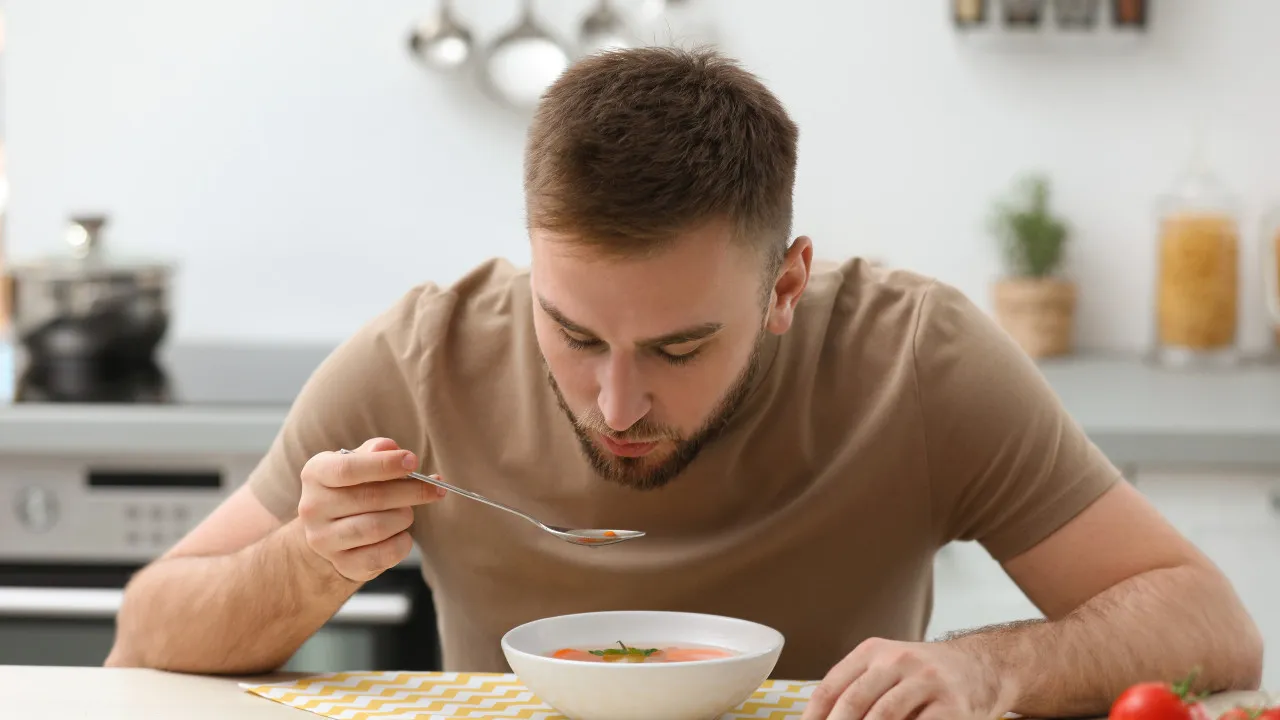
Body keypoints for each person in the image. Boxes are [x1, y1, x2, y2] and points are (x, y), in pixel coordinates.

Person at [106, 47, 1263, 719]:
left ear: (784, 285)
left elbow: (1212, 625)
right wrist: (309, 558)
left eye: (675, 350)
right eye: (570, 334)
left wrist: (981, 666)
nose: (615, 407)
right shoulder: (421, 359)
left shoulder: (915, 357)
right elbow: (143, 642)